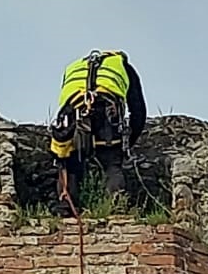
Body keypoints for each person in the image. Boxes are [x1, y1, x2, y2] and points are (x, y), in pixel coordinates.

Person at [49, 50, 146, 211]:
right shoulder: (122, 66)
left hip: (73, 113)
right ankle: (116, 206)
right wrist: (128, 142)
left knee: (69, 161)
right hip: (107, 113)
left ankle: (66, 207)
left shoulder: (74, 67)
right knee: (112, 164)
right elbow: (138, 111)